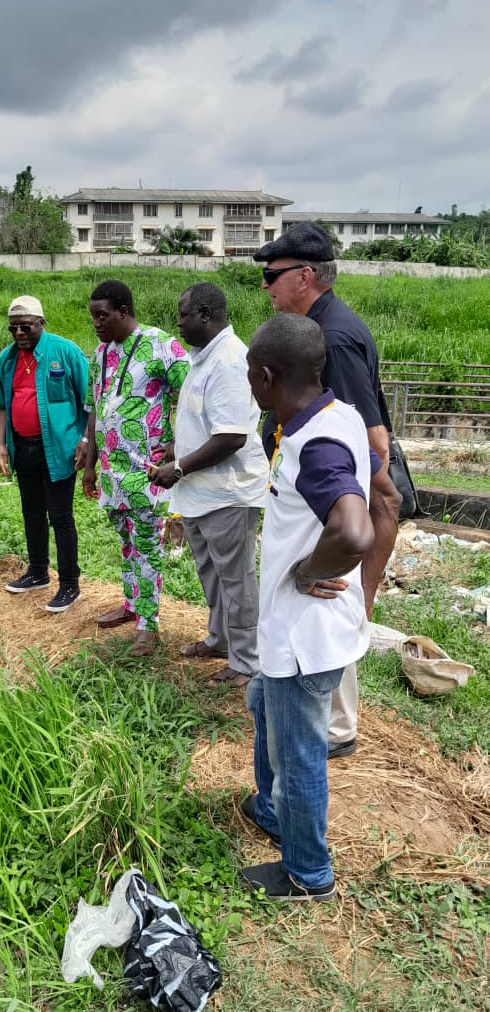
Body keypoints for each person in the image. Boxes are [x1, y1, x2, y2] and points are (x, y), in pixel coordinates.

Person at [240, 312, 374, 901]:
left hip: (303, 636)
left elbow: (353, 530)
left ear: (268, 377)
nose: (250, 383)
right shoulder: (335, 415)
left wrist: (309, 569)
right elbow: (379, 491)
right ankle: (272, 810)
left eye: (251, 373)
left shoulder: (314, 444)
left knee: (298, 757)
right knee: (261, 703)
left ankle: (307, 873)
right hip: (294, 630)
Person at [253, 223, 400, 759]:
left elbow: (372, 444)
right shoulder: (317, 329)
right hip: (320, 502)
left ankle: (333, 730)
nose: (266, 286)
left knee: (326, 614)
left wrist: (352, 578)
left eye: (273, 275)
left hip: (333, 514)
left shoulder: (331, 339)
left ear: (305, 276)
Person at [150, 283, 268, 688]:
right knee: (212, 574)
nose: (178, 323)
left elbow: (231, 436)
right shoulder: (204, 357)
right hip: (203, 493)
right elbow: (208, 422)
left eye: (183, 315)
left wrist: (180, 467)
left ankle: (246, 661)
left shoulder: (230, 361)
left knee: (236, 580)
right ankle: (220, 641)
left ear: (205, 314)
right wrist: (177, 447)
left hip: (227, 494)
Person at [77, 280, 189, 656]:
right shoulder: (100, 354)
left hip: (148, 472)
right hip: (112, 472)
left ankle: (148, 624)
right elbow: (95, 411)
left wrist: (178, 445)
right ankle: (131, 605)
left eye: (102, 315)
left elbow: (195, 395)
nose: (96, 323)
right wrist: (90, 466)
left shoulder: (161, 346)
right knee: (126, 543)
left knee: (147, 546)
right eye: (93, 316)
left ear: (123, 311)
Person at [0, 294, 88, 613]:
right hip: (23, 447)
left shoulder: (65, 352)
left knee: (60, 515)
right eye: (13, 328)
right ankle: (37, 572)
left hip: (59, 449)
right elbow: (3, 405)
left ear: (41, 323)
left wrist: (86, 440)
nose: (19, 333)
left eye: (25, 327)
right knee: (31, 512)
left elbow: (90, 401)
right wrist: (1, 444)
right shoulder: (7, 359)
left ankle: (70, 584)